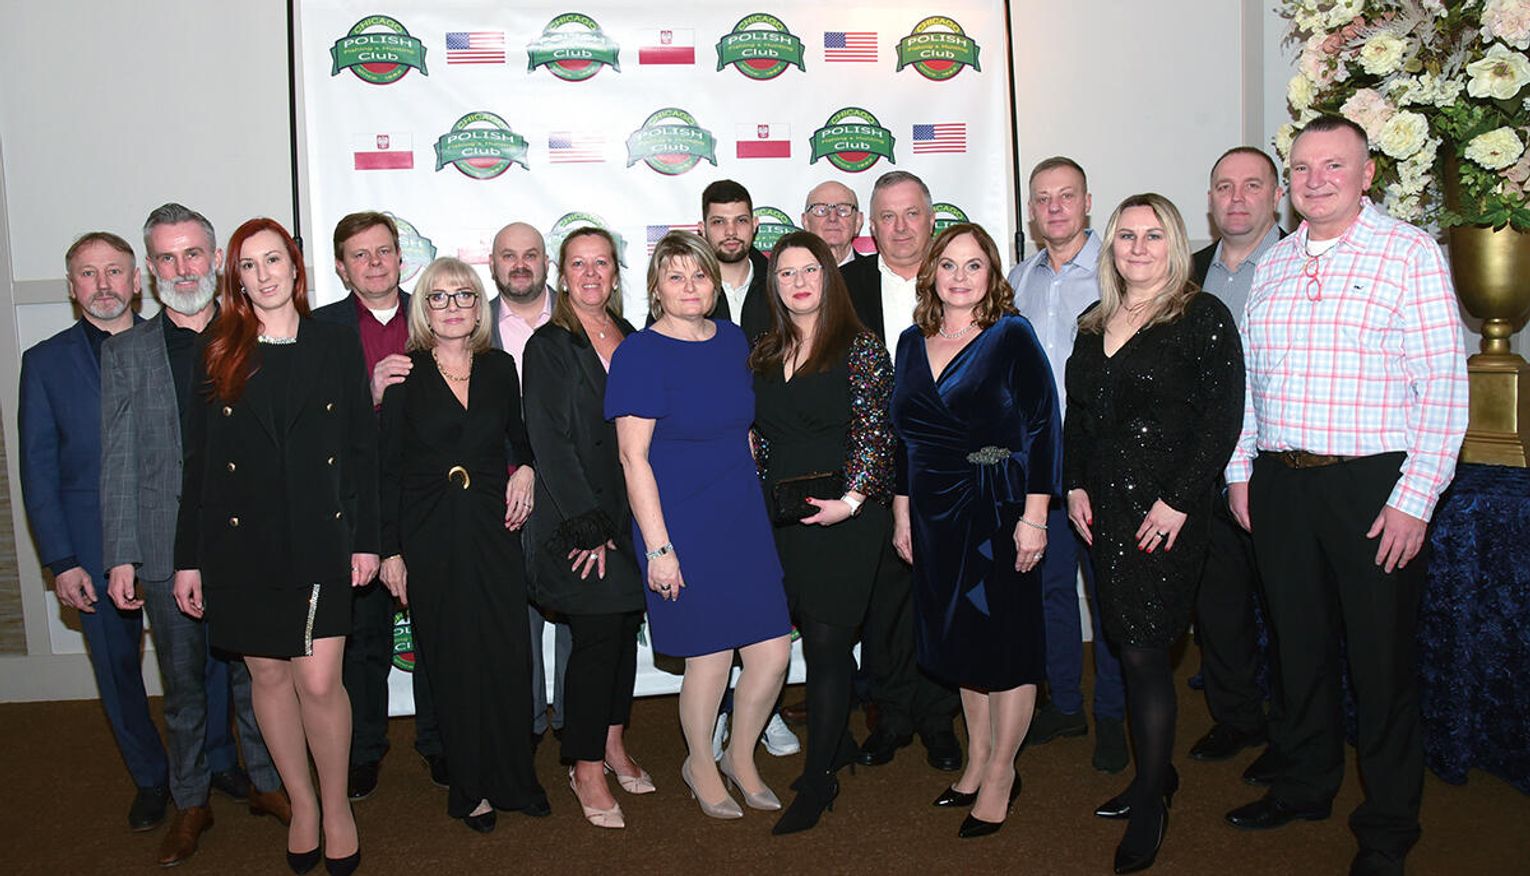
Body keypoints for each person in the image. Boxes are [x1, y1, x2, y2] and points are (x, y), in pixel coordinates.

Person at [1223, 116, 1468, 876]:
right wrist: (1240, 471)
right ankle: (1304, 785)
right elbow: (1250, 385)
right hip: (1280, 484)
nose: (1315, 180)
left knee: (1380, 665)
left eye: (1334, 165)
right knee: (1296, 651)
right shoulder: (1274, 264)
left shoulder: (1410, 253)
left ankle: (1388, 827)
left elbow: (1444, 387)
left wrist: (1414, 499)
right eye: (1302, 167)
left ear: (1367, 176)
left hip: (1372, 487)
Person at [172, 218, 377, 876]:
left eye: (273, 260)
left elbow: (361, 448)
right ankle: (303, 805)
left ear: (295, 267)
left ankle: (337, 809)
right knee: (267, 676)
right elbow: (199, 462)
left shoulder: (335, 342)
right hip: (242, 542)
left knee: (318, 680)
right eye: (248, 265)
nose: (263, 275)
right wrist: (187, 557)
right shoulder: (218, 348)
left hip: (320, 536)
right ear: (237, 278)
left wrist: (369, 539)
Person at [101, 203, 288, 866]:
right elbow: (118, 459)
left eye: (193, 254)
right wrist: (121, 555)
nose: (182, 268)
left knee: (259, 676)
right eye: (167, 257)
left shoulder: (257, 338)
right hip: (161, 544)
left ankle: (268, 782)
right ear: (152, 271)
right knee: (182, 688)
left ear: (214, 260)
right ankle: (190, 801)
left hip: (248, 542)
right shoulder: (125, 353)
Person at [1064, 194, 1245, 873]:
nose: (1138, 248)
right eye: (1126, 236)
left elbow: (1222, 420)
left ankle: (1150, 799)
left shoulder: (1201, 317)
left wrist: (1178, 501)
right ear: (1111, 246)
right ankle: (1156, 774)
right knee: (1124, 642)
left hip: (1164, 518)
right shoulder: (1093, 322)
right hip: (1105, 513)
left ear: (1174, 244)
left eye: (1153, 235)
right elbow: (1077, 417)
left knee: (1144, 652)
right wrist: (1074, 484)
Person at [606, 231, 792, 820]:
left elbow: (742, 426)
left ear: (715, 284)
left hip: (741, 513)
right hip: (680, 521)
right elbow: (633, 457)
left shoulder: (732, 340)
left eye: (700, 275)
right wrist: (659, 548)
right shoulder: (640, 353)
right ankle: (701, 764)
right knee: (709, 658)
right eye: (676, 276)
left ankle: (740, 755)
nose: (690, 287)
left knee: (772, 652)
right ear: (656, 289)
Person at [889, 223, 1059, 839]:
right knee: (962, 640)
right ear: (931, 272)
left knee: (1005, 645)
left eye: (974, 265)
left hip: (998, 508)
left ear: (993, 275)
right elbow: (905, 437)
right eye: (949, 265)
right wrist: (902, 511)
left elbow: (1043, 427)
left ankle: (1002, 772)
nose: (960, 277)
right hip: (933, 515)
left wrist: (1034, 517)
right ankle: (978, 756)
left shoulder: (1011, 335)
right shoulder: (911, 342)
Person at [376, 257, 550, 835]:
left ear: (480, 307)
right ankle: (471, 789)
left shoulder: (500, 367)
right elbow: (387, 472)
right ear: (423, 310)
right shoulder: (403, 376)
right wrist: (391, 551)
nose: (453, 307)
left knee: (507, 653)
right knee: (453, 661)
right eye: (439, 297)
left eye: (464, 296)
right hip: (430, 533)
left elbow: (519, 438)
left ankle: (515, 780)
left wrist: (526, 470)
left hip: (494, 527)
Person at [19, 231, 170, 832]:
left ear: (137, 281)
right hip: (90, 545)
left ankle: (216, 764)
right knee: (115, 666)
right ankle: (151, 778)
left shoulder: (174, 346)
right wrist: (61, 559)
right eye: (88, 273)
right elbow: (38, 469)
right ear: (71, 285)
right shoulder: (44, 363)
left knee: (203, 663)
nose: (103, 284)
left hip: (172, 536)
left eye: (114, 271)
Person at [748, 231, 894, 834]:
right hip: (784, 521)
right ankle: (837, 746)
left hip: (844, 518)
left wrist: (852, 501)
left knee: (830, 647)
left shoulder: (859, 347)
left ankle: (818, 780)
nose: (798, 282)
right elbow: (761, 441)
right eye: (785, 273)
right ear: (774, 285)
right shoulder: (763, 352)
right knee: (809, 638)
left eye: (809, 269)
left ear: (828, 276)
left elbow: (877, 431)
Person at [311, 211, 445, 799]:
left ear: (401, 256)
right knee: (362, 641)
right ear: (342, 268)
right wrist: (366, 395)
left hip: (428, 499)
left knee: (435, 630)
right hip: (356, 506)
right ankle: (363, 750)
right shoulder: (319, 329)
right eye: (359, 255)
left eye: (384, 251)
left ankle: (439, 741)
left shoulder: (437, 313)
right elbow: (307, 427)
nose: (374, 263)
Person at [522, 228, 648, 830]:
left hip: (632, 513)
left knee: (623, 632)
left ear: (616, 273)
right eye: (579, 264)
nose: (591, 274)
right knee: (597, 639)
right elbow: (550, 442)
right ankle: (584, 765)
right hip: (578, 521)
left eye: (601, 263)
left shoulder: (633, 336)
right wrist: (589, 526)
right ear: (562, 274)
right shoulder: (548, 345)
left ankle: (613, 743)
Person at [1005, 156, 1128, 773]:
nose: (1054, 208)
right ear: (1032, 211)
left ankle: (1112, 713)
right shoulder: (1016, 280)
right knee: (1049, 590)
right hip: (1038, 464)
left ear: (1087, 202)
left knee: (1108, 594)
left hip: (1102, 460)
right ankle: (1065, 704)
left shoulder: (1120, 270)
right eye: (1043, 198)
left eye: (1066, 196)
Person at [840, 170, 962, 772]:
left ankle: (940, 718)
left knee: (942, 596)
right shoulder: (844, 286)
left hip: (948, 469)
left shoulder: (961, 280)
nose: (901, 227)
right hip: (872, 471)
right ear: (870, 225)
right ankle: (889, 716)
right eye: (887, 216)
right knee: (884, 601)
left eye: (912, 213)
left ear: (931, 219)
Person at [1188, 148, 1287, 782]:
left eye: (1252, 185)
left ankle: (1292, 730)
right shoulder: (1188, 273)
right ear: (1210, 200)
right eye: (1224, 186)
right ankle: (1237, 716)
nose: (1237, 198)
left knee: (1288, 610)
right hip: (1207, 467)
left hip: (1278, 464)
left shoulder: (1300, 263)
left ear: (1276, 196)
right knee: (1217, 604)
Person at [697, 180, 801, 759]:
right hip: (711, 467)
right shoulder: (687, 285)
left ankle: (763, 709)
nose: (730, 231)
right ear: (703, 227)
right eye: (719, 221)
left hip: (777, 461)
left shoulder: (779, 280)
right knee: (721, 591)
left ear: (755, 224)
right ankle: (718, 713)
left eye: (740, 220)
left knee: (768, 592)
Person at [485, 220, 571, 753]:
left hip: (570, 490)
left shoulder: (580, 317)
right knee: (516, 618)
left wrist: (540, 467)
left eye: (531, 254)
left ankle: (575, 723)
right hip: (499, 492)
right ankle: (527, 724)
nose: (520, 264)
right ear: (493, 264)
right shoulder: (471, 322)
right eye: (508, 255)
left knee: (577, 614)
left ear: (546, 262)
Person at [801, 181, 866, 267]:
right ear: (806, 222)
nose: (832, 218)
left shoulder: (877, 273)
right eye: (821, 210)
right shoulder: (788, 273)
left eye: (842, 210)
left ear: (858, 221)